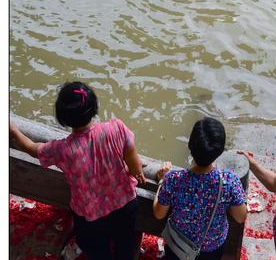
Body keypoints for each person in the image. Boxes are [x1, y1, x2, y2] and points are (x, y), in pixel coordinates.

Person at [9, 81, 145, 260]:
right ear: (94, 107)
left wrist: (13, 130)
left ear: (63, 118)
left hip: (91, 216)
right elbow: (131, 156)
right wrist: (137, 172)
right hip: (124, 204)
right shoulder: (116, 128)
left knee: (94, 246)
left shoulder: (62, 150)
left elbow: (33, 148)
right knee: (125, 240)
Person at [153, 117, 247, 260]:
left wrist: (161, 181)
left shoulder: (173, 179)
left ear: (190, 146)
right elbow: (240, 217)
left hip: (178, 246)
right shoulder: (229, 181)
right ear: (220, 151)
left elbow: (159, 214)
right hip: (212, 248)